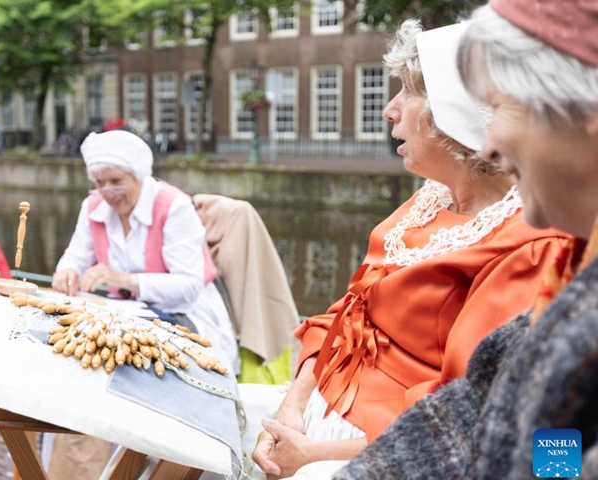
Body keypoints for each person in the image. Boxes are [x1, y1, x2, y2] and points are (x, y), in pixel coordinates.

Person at [249, 19, 568, 479]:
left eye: (410, 92)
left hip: (384, 453)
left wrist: (313, 456)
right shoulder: (428, 199)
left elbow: (468, 415)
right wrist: (289, 411)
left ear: (456, 112)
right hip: (313, 419)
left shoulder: (530, 247)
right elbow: (345, 314)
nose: (390, 110)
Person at [329, 1, 598, 479]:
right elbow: (492, 407)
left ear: (584, 116)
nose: (488, 143)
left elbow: (555, 453)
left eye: (500, 107)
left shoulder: (557, 261)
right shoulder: (580, 265)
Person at [51, 129, 238, 369]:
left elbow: (189, 287)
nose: (108, 193)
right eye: (99, 184)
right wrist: (66, 271)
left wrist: (123, 280)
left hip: (186, 313)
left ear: (138, 176)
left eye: (116, 183)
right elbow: (76, 255)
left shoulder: (174, 206)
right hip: (129, 313)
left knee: (117, 354)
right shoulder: (93, 206)